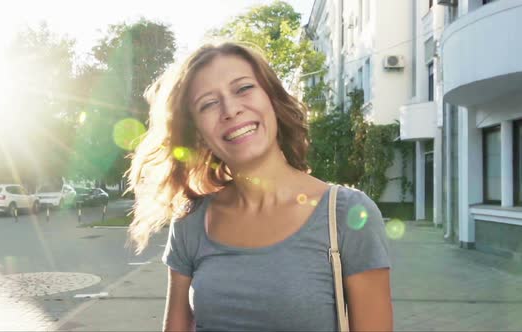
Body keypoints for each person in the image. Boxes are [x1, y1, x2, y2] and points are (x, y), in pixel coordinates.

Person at [128, 42, 393, 331]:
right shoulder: (191, 221)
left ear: (273, 101)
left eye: (243, 88)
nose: (230, 110)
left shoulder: (346, 215)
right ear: (199, 134)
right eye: (208, 104)